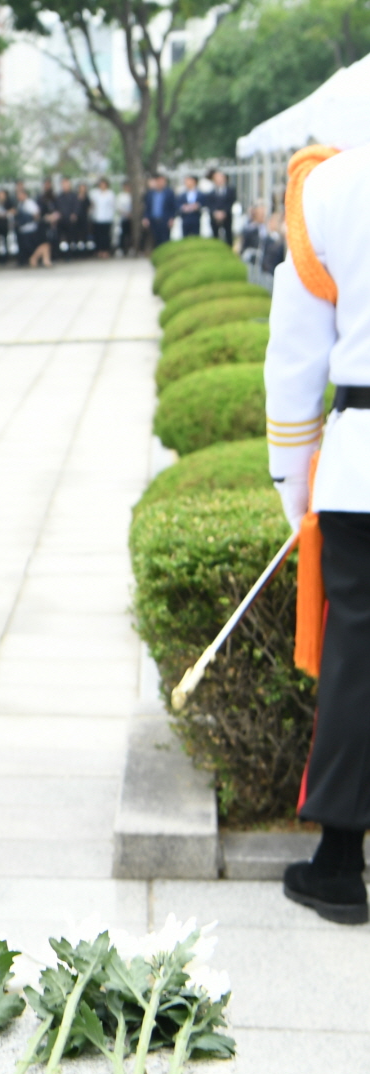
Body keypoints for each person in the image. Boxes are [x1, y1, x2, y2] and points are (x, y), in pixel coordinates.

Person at [264, 143, 370, 925]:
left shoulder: (330, 182)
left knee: (356, 660)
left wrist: (293, 483)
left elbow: (295, 356)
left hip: (361, 460)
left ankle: (339, 864)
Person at [143, 174, 177, 253]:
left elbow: (173, 207)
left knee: (165, 239)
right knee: (155, 239)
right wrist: (145, 217)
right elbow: (147, 207)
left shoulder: (169, 193)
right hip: (153, 220)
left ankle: (166, 254)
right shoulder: (150, 193)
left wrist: (172, 218)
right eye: (158, 181)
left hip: (165, 220)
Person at [205, 169, 235, 245]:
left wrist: (224, 212)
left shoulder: (230, 190)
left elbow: (231, 202)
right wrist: (215, 213)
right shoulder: (211, 192)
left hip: (226, 216)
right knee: (215, 235)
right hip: (214, 216)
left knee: (228, 235)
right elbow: (210, 204)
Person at [89, 178, 117, 258]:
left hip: (107, 218)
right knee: (98, 235)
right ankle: (99, 250)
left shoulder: (110, 194)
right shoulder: (95, 193)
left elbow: (113, 206)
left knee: (106, 236)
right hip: (97, 218)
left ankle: (106, 250)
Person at [177, 174, 203, 239]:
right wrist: (183, 207)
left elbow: (203, 204)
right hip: (185, 218)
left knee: (196, 237)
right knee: (185, 237)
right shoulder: (182, 194)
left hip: (196, 218)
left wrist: (197, 206)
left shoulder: (200, 194)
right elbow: (178, 204)